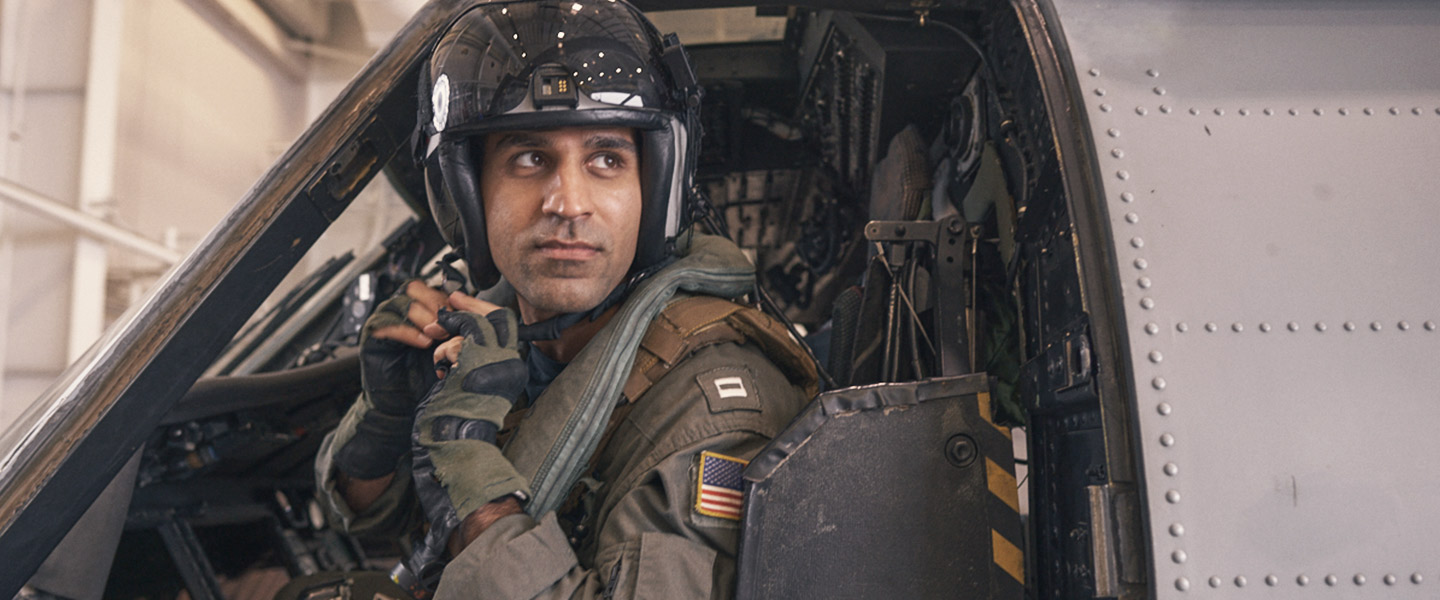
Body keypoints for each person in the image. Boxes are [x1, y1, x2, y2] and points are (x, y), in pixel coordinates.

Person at [313, 1, 817, 598]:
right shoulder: (497, 337)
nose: (568, 203)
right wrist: (389, 416)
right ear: (466, 195)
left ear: (653, 191)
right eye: (530, 159)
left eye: (607, 159)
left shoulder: (712, 407)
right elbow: (390, 523)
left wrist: (475, 483)